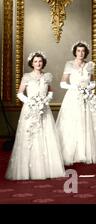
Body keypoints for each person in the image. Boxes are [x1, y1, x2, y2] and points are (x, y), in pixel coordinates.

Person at [5, 52, 65, 180]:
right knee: (30, 136)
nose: (38, 63)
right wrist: (31, 102)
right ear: (32, 63)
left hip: (44, 109)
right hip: (30, 109)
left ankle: (47, 169)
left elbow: (50, 92)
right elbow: (20, 93)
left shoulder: (47, 76)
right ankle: (27, 170)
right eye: (36, 61)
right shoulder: (27, 77)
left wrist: (45, 101)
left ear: (43, 63)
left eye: (40, 61)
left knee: (45, 135)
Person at [56, 41, 96, 165]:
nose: (81, 53)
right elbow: (63, 83)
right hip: (73, 97)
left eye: (83, 51)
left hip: (86, 96)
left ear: (86, 53)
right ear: (75, 52)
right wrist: (76, 87)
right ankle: (71, 154)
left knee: (86, 123)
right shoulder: (69, 64)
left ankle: (86, 152)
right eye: (79, 51)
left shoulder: (89, 65)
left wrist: (87, 88)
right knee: (73, 123)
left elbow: (93, 82)